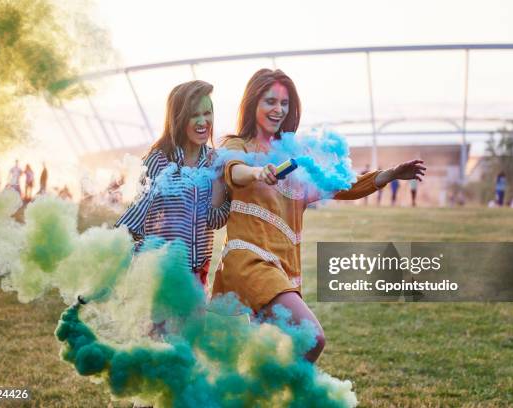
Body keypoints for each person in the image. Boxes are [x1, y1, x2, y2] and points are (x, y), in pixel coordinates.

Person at [211, 69, 425, 363]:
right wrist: (257, 172)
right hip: (248, 260)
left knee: (264, 360)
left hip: (282, 267)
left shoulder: (294, 153)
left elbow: (341, 185)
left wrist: (388, 175)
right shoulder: (238, 145)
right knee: (311, 338)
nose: (278, 110)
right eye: (270, 101)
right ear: (252, 103)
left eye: (284, 103)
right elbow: (233, 170)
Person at [115, 80, 230, 289]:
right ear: (179, 118)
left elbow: (215, 220)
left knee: (193, 323)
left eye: (207, 113)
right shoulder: (159, 159)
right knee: (161, 323)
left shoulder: (214, 161)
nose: (203, 121)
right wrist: (114, 249)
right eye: (194, 115)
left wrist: (218, 177)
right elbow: (137, 214)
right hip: (160, 271)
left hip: (197, 273)